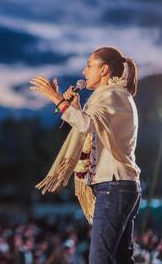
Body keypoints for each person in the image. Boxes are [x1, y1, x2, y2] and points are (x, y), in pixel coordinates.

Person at [29, 46, 141, 263]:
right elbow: (91, 124)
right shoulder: (113, 96)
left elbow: (87, 124)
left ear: (104, 70)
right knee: (120, 258)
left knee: (100, 259)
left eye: (89, 65)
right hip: (120, 186)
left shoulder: (112, 95)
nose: (84, 71)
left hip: (114, 187)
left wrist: (55, 98)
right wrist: (76, 107)